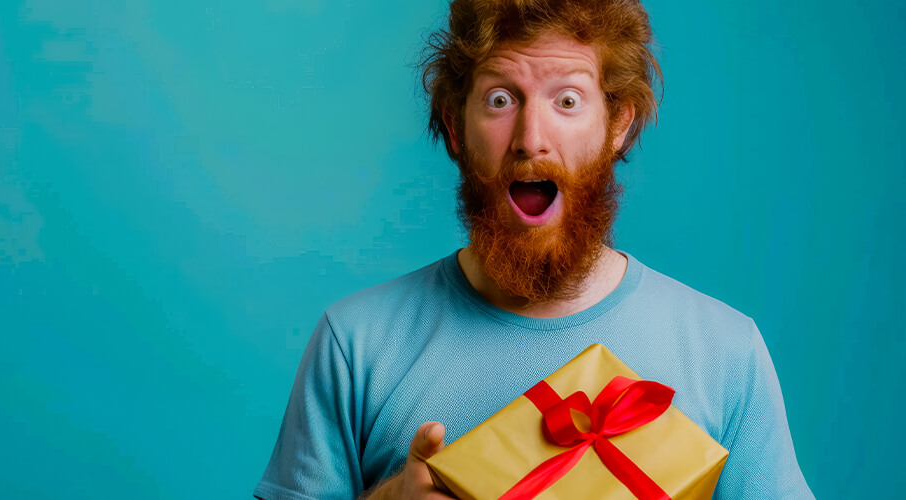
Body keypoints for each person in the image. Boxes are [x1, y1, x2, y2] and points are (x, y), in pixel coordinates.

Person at [254, 0, 814, 498]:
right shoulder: (355, 344)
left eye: (567, 100)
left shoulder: (725, 351)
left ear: (618, 123)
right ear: (455, 126)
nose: (531, 138)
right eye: (500, 99)